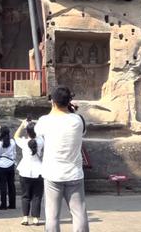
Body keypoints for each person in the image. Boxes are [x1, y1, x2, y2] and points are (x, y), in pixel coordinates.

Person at [35, 86, 89, 232]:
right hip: (74, 174)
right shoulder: (79, 120)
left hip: (52, 174)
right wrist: (72, 110)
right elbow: (82, 130)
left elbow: (37, 132)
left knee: (52, 216)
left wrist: (53, 107)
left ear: (53, 101)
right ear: (69, 101)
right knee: (79, 213)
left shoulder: (44, 120)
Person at [14, 119, 44, 226]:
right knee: (37, 196)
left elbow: (16, 136)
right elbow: (40, 134)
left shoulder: (24, 142)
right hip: (38, 171)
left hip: (25, 171)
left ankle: (25, 218)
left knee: (25, 195)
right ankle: (35, 218)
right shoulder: (40, 142)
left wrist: (23, 125)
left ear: (27, 132)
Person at [0, 126, 16, 210]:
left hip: (1, 166)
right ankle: (12, 204)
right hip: (10, 165)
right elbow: (14, 153)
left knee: (3, 186)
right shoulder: (12, 142)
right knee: (11, 185)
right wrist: (13, 162)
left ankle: (3, 205)